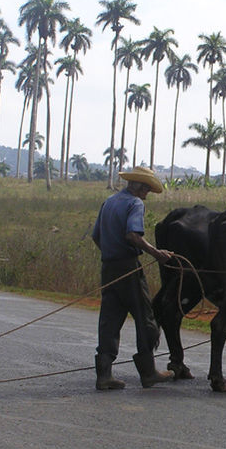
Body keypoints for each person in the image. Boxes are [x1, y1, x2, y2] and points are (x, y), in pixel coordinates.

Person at [91, 166, 175, 390]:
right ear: (138, 186)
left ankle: (104, 375)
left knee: (109, 318)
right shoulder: (135, 203)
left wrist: (111, 253)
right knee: (145, 316)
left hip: (109, 267)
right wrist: (157, 254)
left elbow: (96, 236)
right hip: (129, 269)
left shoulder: (109, 202)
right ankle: (148, 373)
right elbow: (132, 235)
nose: (147, 193)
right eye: (146, 188)